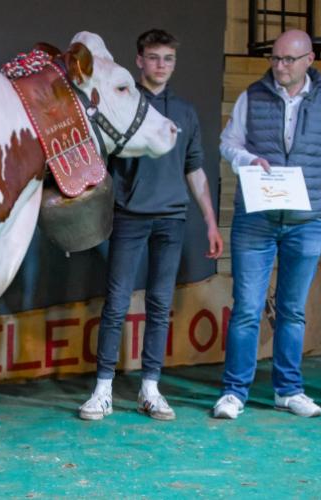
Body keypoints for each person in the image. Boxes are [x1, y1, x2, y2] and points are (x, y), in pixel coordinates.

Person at [78, 29, 224, 422]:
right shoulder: (122, 102)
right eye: (154, 57)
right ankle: (103, 390)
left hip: (172, 219)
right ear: (139, 61)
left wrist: (211, 222)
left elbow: (195, 169)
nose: (162, 65)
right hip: (129, 216)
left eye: (169, 58)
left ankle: (150, 389)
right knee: (117, 303)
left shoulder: (185, 112)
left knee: (160, 305)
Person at [212, 29, 321, 419]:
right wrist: (247, 160)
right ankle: (234, 392)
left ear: (309, 60)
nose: (279, 66)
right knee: (247, 308)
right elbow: (228, 143)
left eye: (288, 60)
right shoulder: (252, 96)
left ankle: (288, 390)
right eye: (275, 58)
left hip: (307, 221)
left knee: (292, 310)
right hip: (256, 218)